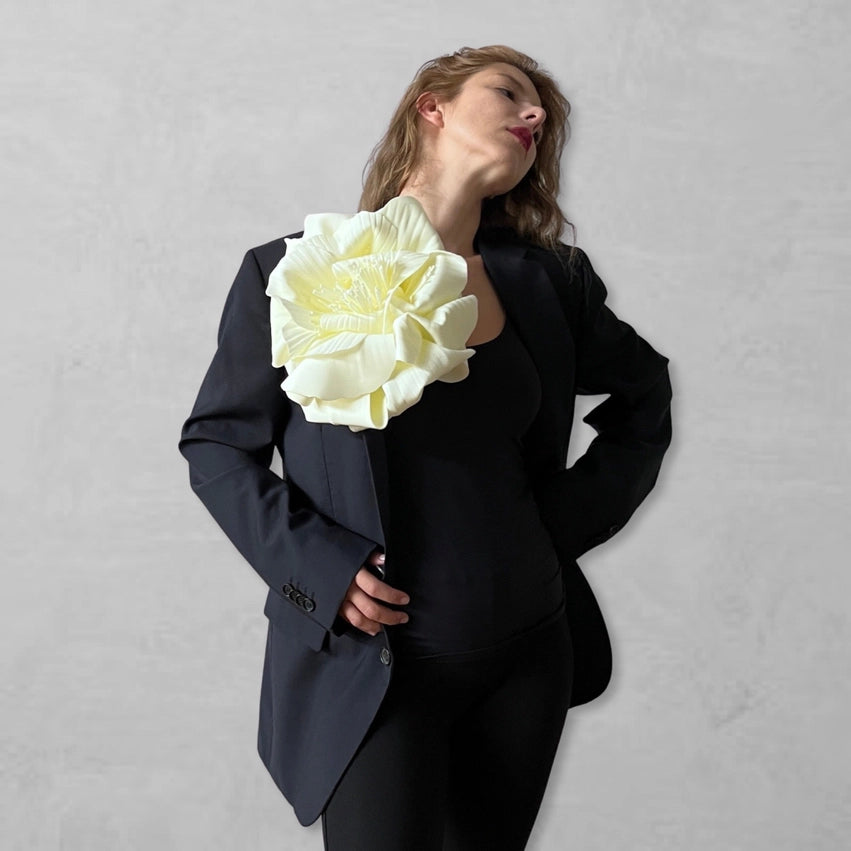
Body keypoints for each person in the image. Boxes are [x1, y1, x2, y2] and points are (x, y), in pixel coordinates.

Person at [178, 44, 673, 850]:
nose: (534, 115)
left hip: (526, 658)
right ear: (430, 107)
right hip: (374, 671)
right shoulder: (293, 271)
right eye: (508, 92)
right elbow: (217, 447)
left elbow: (643, 396)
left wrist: (560, 524)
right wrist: (321, 571)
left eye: (544, 117)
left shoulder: (550, 281)